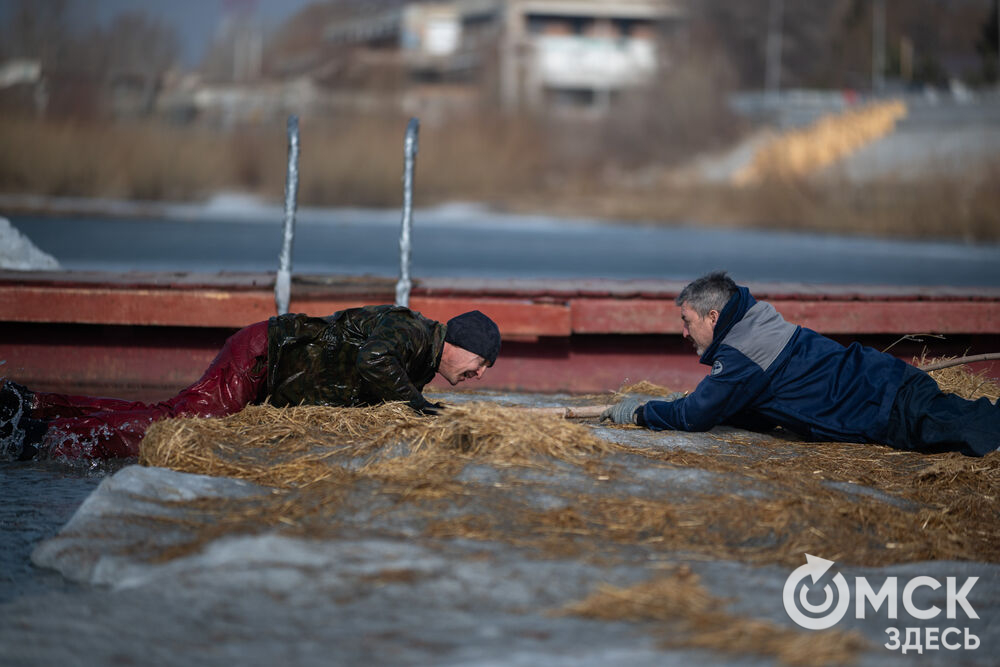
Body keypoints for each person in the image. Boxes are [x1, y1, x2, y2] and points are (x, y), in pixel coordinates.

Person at [1, 306, 501, 461]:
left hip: (265, 366)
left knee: (168, 412)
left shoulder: (417, 363)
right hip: (263, 356)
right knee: (177, 427)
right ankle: (41, 439)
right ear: (457, 343)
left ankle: (36, 406)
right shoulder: (412, 331)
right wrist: (417, 407)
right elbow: (373, 358)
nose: (477, 376)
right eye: (479, 364)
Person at [601, 271, 999, 457]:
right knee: (967, 424)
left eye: (686, 322)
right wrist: (687, 404)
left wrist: (640, 414)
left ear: (713, 318)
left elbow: (694, 417)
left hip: (885, 405)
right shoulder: (755, 322)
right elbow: (752, 409)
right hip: (882, 387)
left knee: (978, 428)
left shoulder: (742, 354)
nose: (684, 333)